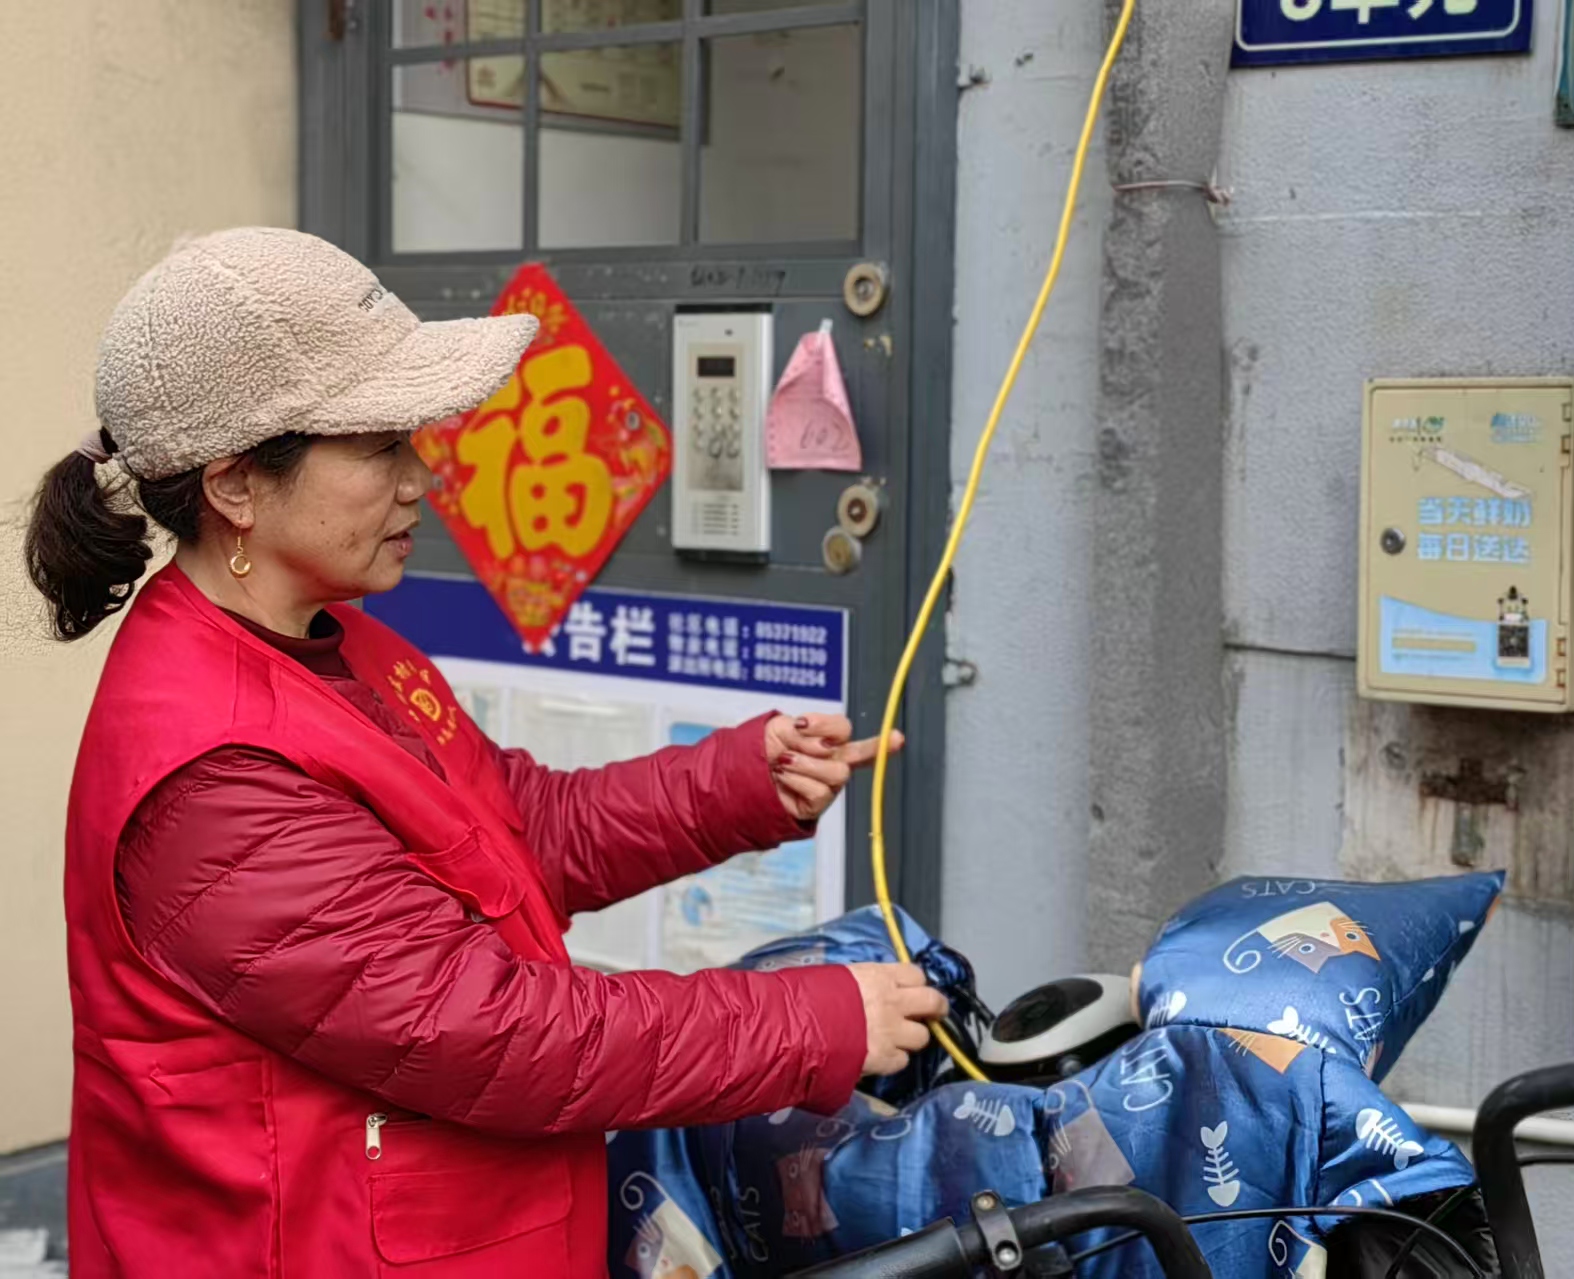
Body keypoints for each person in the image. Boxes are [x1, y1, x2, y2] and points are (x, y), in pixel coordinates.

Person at [24, 227, 946, 1278]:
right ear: (235, 485)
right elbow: (489, 1030)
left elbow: (514, 829)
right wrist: (814, 1023)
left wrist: (738, 780)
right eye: (381, 447)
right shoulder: (215, 775)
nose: (421, 478)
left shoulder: (335, 640)